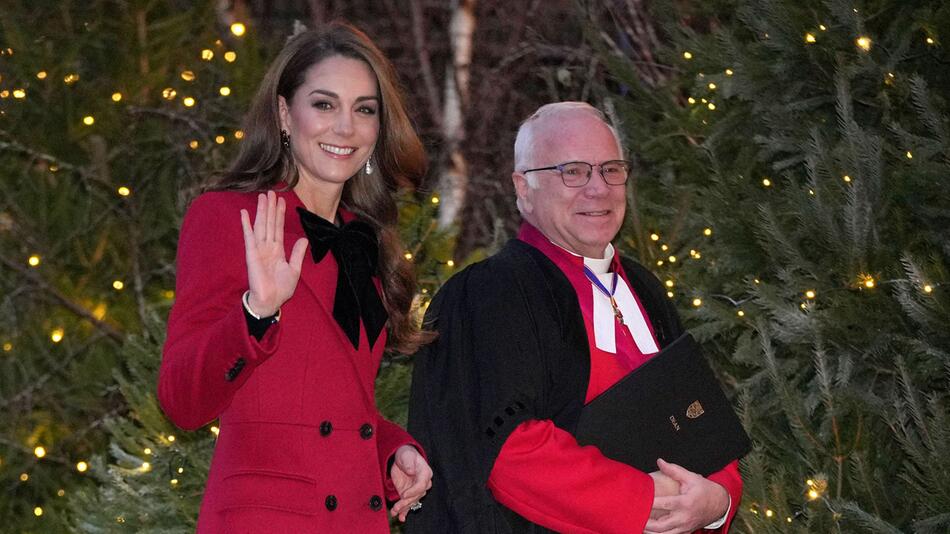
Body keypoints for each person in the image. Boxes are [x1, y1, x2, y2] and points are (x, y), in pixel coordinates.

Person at [407, 102, 743, 533]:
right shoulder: (489, 294)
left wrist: (717, 500)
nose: (598, 189)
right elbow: (508, 453)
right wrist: (643, 499)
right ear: (523, 187)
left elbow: (704, 422)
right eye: (572, 171)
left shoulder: (645, 289)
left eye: (611, 169)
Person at [158, 22, 432, 533]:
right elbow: (181, 401)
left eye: (364, 109)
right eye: (324, 105)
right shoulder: (226, 217)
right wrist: (255, 313)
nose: (345, 128)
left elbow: (333, 411)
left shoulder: (364, 242)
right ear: (285, 114)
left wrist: (391, 452)